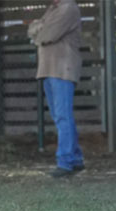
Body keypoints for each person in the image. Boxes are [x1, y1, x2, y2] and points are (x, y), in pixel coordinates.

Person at [29, 0, 84, 177]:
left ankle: (65, 163)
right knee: (60, 117)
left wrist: (39, 28)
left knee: (62, 117)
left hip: (62, 70)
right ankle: (75, 160)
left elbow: (46, 35)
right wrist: (38, 28)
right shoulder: (53, 9)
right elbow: (34, 30)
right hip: (49, 70)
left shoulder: (68, 8)